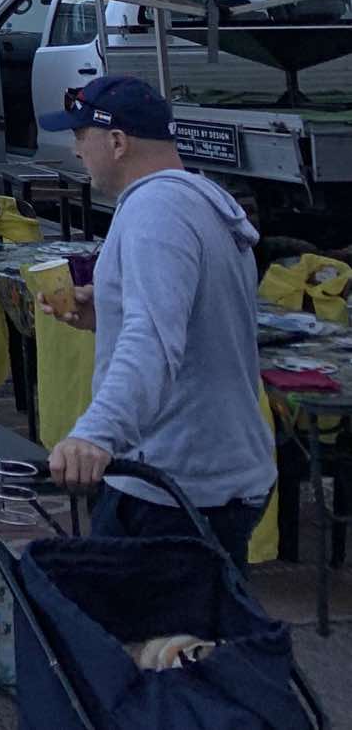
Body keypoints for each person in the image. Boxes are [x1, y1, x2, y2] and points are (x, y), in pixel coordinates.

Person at [41, 76, 272, 568]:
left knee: (160, 641)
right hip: (207, 472)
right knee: (187, 636)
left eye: (82, 136)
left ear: (117, 142)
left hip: (176, 484)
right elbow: (188, 318)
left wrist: (95, 435)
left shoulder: (156, 212)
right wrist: (107, 311)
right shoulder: (194, 200)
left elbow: (152, 340)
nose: (76, 150)